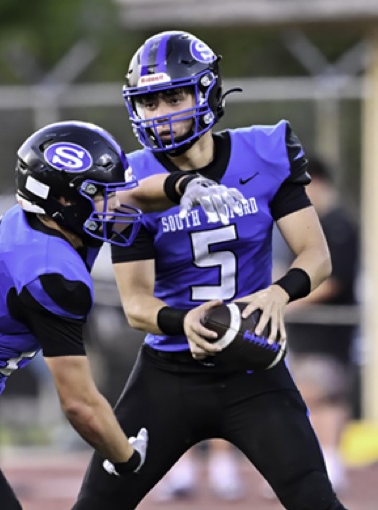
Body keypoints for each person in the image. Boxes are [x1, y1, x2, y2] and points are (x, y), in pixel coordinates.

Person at [0, 120, 242, 510]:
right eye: (102, 194)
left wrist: (182, 185)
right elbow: (79, 404)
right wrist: (127, 457)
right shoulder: (51, 274)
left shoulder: (38, 220)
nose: (118, 205)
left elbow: (135, 194)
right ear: (65, 201)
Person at [72, 31, 347, 510]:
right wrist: (188, 323)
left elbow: (316, 256)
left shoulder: (263, 153)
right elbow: (136, 305)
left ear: (207, 93)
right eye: (149, 102)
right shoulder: (131, 182)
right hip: (169, 374)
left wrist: (279, 293)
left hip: (254, 369)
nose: (160, 114)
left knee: (316, 501)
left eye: (173, 97)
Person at [282, 156, 359, 493]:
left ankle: (326, 468)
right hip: (306, 332)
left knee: (320, 396)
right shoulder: (308, 226)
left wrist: (286, 301)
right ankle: (321, 467)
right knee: (316, 398)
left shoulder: (338, 225)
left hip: (327, 332)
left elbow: (332, 282)